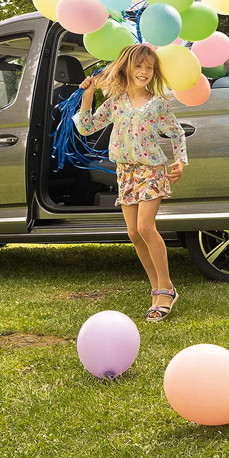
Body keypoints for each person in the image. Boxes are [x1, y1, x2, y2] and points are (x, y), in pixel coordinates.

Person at [77, 44, 187, 322]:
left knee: (145, 227)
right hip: (126, 172)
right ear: (127, 67)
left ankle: (166, 288)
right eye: (139, 66)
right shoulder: (116, 102)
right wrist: (87, 96)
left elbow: (177, 134)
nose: (145, 72)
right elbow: (87, 126)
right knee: (134, 234)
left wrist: (180, 162)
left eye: (149, 68)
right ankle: (158, 290)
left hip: (152, 170)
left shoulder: (158, 103)